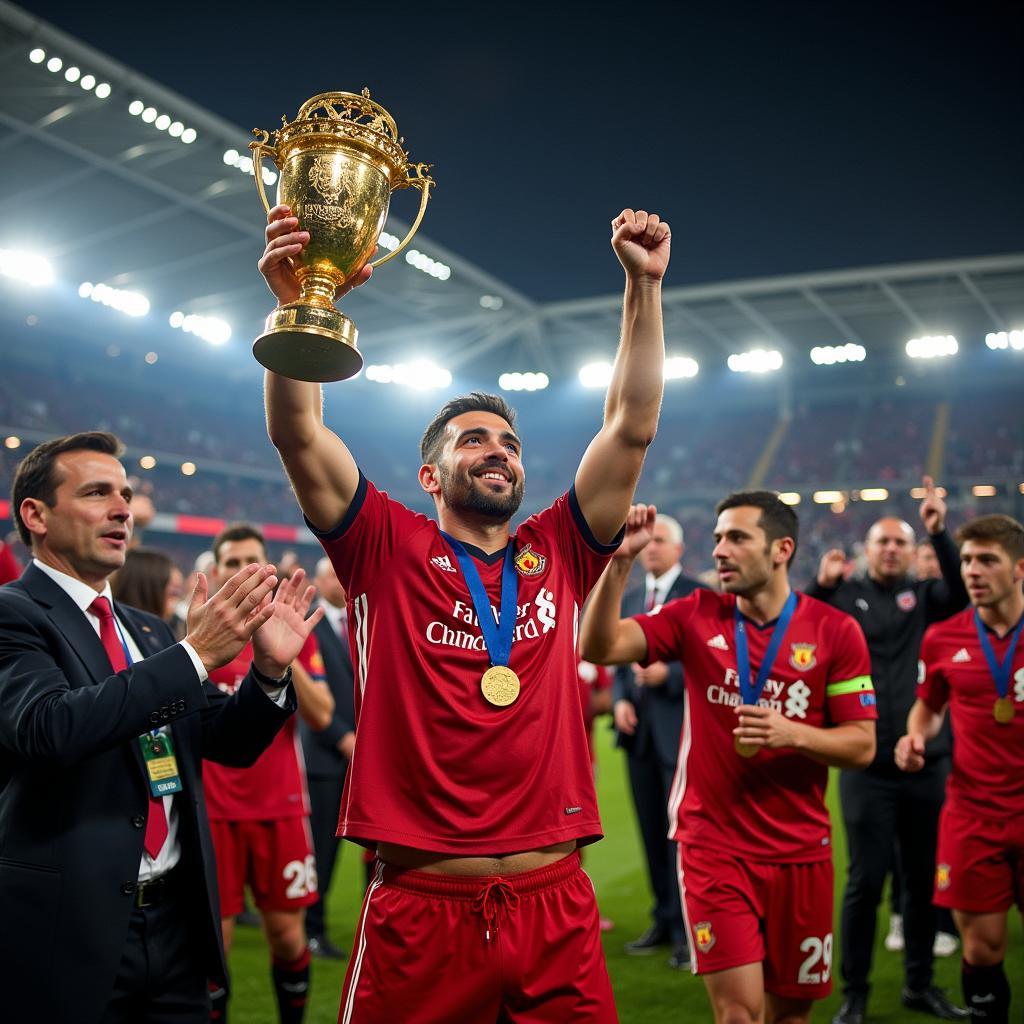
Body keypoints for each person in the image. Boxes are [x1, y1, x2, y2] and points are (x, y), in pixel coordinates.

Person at [260, 201, 670, 1022]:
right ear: (430, 476)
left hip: (555, 908)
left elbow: (630, 428)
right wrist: (307, 303)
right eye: (475, 441)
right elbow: (300, 436)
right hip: (421, 908)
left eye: (510, 443)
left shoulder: (559, 548)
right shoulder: (382, 543)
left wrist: (642, 287)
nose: (498, 451)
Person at [0, 431, 319, 1024]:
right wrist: (196, 654)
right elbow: (50, 729)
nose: (124, 508)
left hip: (174, 923)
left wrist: (269, 676)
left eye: (125, 493)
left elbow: (223, 741)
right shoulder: (12, 614)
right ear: (35, 515)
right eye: (98, 493)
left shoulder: (145, 630)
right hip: (70, 925)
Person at [581, 494, 878, 1024]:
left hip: (801, 852)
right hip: (713, 845)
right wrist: (619, 562)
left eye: (737, 538)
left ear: (782, 549)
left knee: (791, 1013)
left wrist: (795, 733)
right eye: (718, 537)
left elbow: (861, 744)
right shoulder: (696, 614)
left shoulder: (836, 631)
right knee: (739, 1013)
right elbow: (599, 647)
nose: (720, 549)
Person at [807, 477, 969, 1024]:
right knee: (865, 881)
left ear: (911, 550)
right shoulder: (843, 597)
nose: (892, 549)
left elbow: (963, 592)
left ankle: (919, 985)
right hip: (865, 762)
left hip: (926, 759)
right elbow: (797, 628)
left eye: (902, 542)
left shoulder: (929, 598)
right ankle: (855, 992)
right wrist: (823, 586)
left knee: (923, 881)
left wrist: (940, 531)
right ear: (865, 550)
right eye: (883, 542)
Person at [203, 523, 335, 1024]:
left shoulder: (295, 631)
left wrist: (281, 657)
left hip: (280, 808)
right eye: (231, 563)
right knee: (217, 944)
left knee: (286, 936)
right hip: (214, 812)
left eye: (250, 562)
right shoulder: (199, 635)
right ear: (215, 572)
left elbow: (322, 714)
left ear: (269, 571)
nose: (241, 572)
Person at [896, 514, 1024, 1024]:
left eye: (987, 560)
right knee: (982, 947)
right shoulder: (942, 638)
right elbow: (928, 706)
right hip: (972, 814)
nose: (972, 570)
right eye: (967, 559)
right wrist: (914, 737)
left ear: (1019, 569)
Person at [612, 512, 703, 969]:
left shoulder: (699, 597)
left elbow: (713, 659)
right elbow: (614, 658)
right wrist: (620, 699)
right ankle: (664, 918)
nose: (651, 548)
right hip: (638, 735)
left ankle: (690, 928)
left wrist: (671, 674)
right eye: (648, 542)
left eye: (661, 541)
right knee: (650, 832)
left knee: (679, 835)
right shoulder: (629, 597)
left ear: (679, 549)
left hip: (681, 732)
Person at [301, 556, 356, 960]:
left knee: (334, 848)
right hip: (323, 756)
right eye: (335, 573)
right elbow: (310, 699)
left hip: (355, 753)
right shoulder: (310, 625)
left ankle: (314, 926)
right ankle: (310, 929)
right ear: (321, 581)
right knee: (317, 848)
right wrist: (344, 739)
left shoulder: (359, 620)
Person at [112, 546, 185, 627]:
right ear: (148, 592)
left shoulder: (175, 627)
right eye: (173, 593)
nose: (176, 602)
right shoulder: (114, 630)